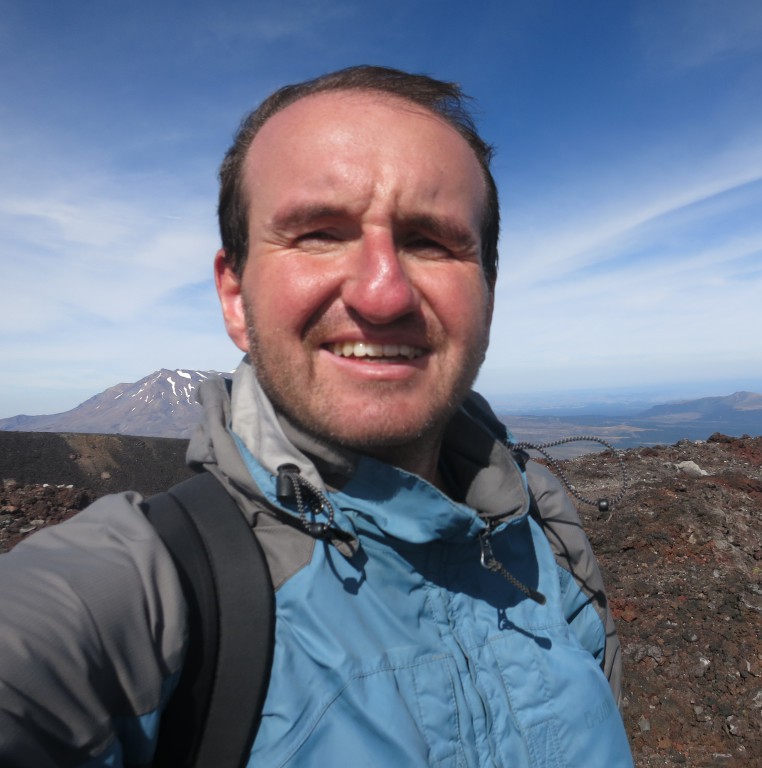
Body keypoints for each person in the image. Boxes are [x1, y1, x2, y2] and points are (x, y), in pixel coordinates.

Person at [0, 66, 633, 766]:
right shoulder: (146, 595)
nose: (383, 293)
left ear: (487, 289)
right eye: (320, 233)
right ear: (236, 296)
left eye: (430, 241)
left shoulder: (542, 528)